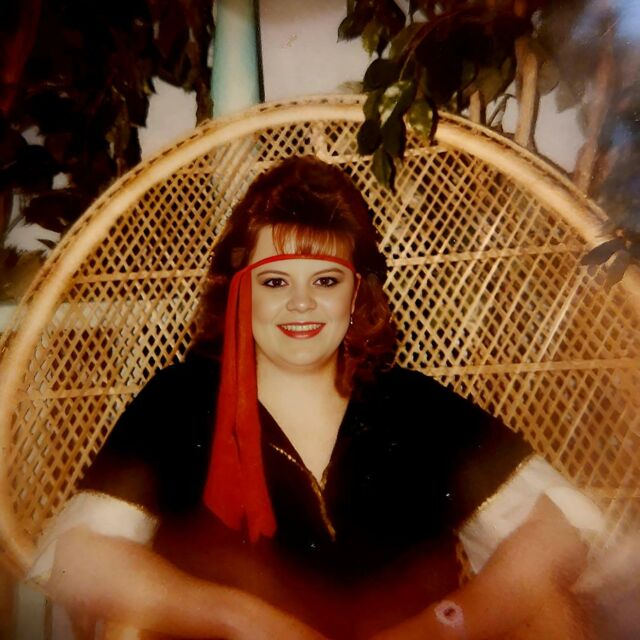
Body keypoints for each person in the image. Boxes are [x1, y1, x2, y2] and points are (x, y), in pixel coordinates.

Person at [30, 156, 605, 639]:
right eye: (275, 281)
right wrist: (239, 619)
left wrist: (441, 625)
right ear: (240, 292)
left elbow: (559, 533)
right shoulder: (179, 400)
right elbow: (80, 559)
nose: (301, 303)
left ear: (356, 295)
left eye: (325, 281)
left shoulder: (412, 404)